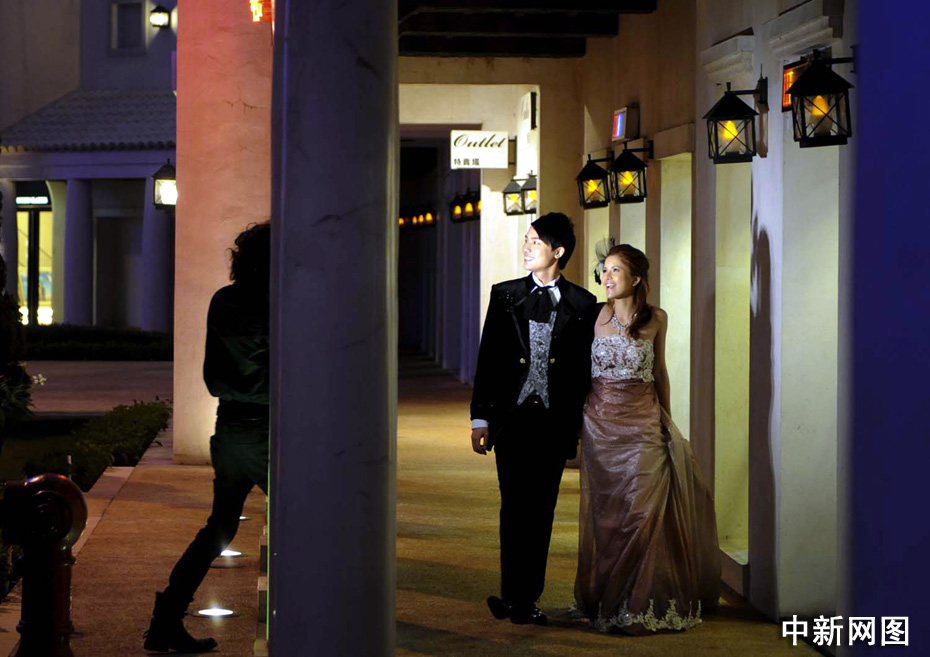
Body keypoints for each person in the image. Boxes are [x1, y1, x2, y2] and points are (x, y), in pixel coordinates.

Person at [573, 243, 720, 634]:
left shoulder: (657, 318)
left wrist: (666, 420)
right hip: (601, 426)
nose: (606, 278)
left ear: (636, 278)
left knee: (642, 512)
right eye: (604, 270)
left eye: (615, 270)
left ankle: (637, 605)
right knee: (609, 517)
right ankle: (609, 598)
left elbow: (660, 372)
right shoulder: (594, 315)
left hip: (643, 425)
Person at [144, 222, 270, 653]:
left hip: (230, 428)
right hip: (268, 431)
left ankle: (165, 619)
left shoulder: (223, 300)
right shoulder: (280, 304)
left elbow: (214, 377)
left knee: (220, 528)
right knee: (302, 521)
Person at [470, 212, 597, 626]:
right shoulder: (505, 295)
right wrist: (479, 418)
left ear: (557, 252)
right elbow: (488, 358)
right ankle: (512, 595)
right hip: (511, 419)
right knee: (513, 508)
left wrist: (579, 426)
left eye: (535, 241)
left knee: (542, 510)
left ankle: (528, 600)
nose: (526, 247)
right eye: (526, 239)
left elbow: (582, 372)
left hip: (553, 424)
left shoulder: (583, 304)